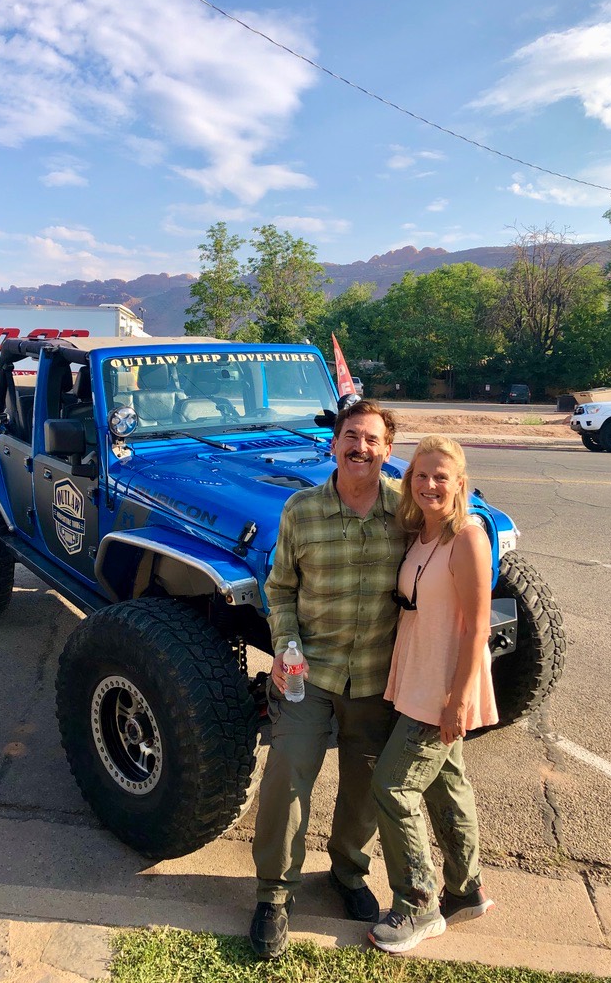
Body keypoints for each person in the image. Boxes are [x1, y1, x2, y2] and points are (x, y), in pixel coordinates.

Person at [249, 399, 406, 960]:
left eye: (372, 440)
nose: (360, 448)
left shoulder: (407, 513)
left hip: (376, 679)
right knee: (287, 775)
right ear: (333, 444)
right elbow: (281, 588)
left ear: (387, 452)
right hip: (307, 673)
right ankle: (274, 892)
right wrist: (286, 647)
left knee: (364, 787)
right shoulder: (301, 510)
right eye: (351, 437)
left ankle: (347, 872)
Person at [368, 435, 498, 956]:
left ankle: (418, 904)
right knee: (447, 784)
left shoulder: (467, 536)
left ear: (459, 482)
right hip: (417, 678)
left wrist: (457, 700)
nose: (429, 485)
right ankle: (465, 891)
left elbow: (477, 629)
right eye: (420, 475)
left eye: (441, 476)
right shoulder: (421, 534)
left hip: (443, 687)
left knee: (392, 787)